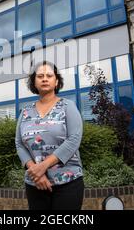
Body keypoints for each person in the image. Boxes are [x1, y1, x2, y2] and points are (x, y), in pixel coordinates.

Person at [15, 61, 84, 210]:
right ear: (34, 82)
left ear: (56, 81)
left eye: (49, 75)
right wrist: (36, 172)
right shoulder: (25, 111)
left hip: (68, 181)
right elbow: (19, 143)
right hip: (35, 184)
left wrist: (43, 166)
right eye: (40, 76)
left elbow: (74, 140)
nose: (44, 79)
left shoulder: (68, 106)